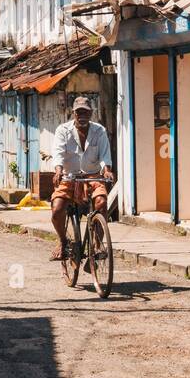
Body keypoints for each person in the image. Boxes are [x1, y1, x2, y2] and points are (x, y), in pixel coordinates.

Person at [49, 97, 114, 261]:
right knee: (57, 209)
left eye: (85, 112)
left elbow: (105, 155)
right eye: (79, 112)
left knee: (102, 203)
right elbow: (58, 154)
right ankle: (64, 242)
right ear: (73, 113)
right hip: (69, 176)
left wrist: (106, 170)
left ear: (91, 113)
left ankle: (97, 244)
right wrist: (58, 171)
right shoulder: (63, 130)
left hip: (92, 176)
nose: (82, 115)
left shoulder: (99, 131)